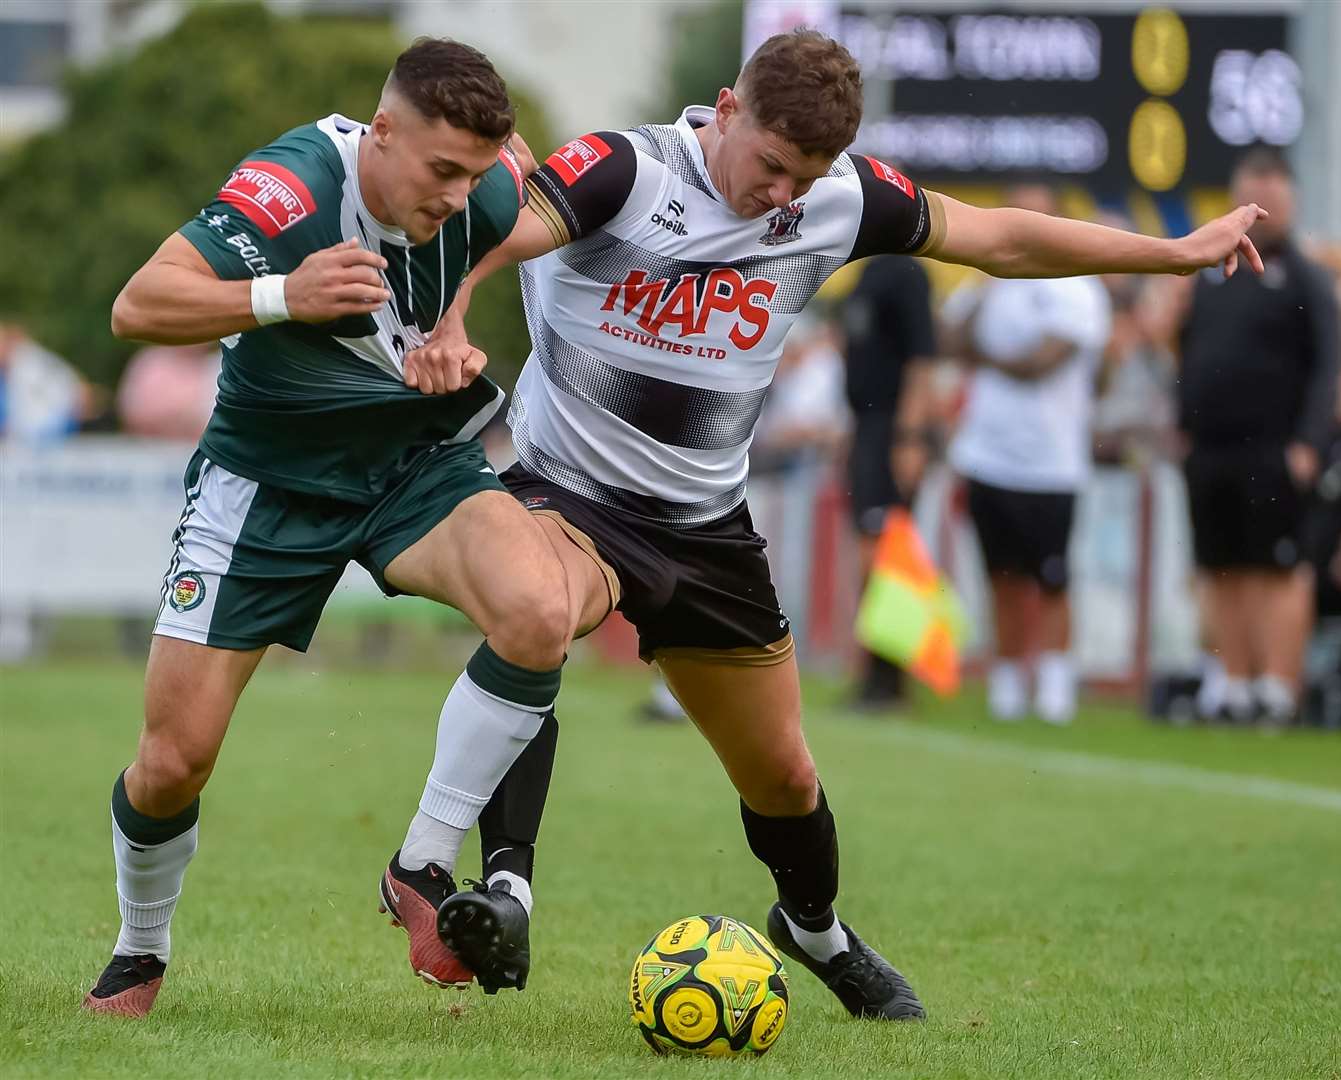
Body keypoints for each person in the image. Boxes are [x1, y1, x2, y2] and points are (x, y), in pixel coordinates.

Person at [427, 28, 1268, 1020]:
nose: (780, 193)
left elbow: (995, 238)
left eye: (803, 177)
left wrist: (1167, 253)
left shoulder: (837, 199)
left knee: (782, 773)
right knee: (536, 615)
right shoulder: (622, 170)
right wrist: (448, 314)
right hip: (568, 494)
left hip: (703, 529)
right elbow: (497, 228)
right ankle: (506, 889)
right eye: (770, 165)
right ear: (725, 109)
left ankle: (812, 929)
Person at [82, 38, 572, 1018]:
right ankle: (141, 949)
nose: (455, 194)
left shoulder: (480, 185)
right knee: (174, 760)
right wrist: (280, 296)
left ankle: (421, 866)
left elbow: (513, 201)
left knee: (538, 610)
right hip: (267, 485)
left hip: (412, 467)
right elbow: (136, 307)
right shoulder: (288, 188)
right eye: (439, 170)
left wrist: (456, 326)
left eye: (473, 173)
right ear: (381, 132)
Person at [1145, 148, 1341, 727]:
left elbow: (1328, 364)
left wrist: (1308, 440)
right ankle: (1231, 681)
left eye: (1276, 193)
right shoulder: (1213, 273)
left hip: (1276, 446)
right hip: (1210, 446)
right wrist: (1183, 423)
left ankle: (1277, 685)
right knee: (1221, 565)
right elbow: (1190, 353)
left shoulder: (1307, 276)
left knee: (1277, 569)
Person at [942, 183, 1113, 725]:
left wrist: (986, 356)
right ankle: (1010, 677)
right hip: (988, 454)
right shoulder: (987, 279)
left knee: (1053, 577)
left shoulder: (1078, 288)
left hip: (1052, 462)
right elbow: (951, 338)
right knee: (1002, 575)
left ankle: (1056, 679)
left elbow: (1043, 361)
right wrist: (989, 291)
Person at [839, 253, 936, 710]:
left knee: (884, 552)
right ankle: (875, 674)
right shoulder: (867, 268)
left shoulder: (908, 272)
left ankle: (888, 676)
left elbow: (922, 360)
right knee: (869, 547)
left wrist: (911, 437)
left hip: (891, 429)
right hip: (866, 426)